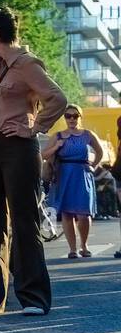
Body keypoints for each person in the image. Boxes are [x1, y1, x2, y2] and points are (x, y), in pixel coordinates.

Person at [0, 5, 68, 317]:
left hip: (19, 147)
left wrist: (35, 127)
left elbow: (58, 98)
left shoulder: (26, 64)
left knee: (25, 221)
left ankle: (34, 297)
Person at [43, 106, 104, 258]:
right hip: (63, 175)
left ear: (79, 117)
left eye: (75, 116)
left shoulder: (88, 134)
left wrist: (93, 166)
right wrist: (57, 146)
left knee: (84, 213)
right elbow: (43, 154)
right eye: (68, 116)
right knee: (67, 213)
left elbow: (100, 151)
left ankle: (84, 245)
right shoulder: (58, 136)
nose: (71, 119)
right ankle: (72, 249)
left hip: (83, 175)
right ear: (64, 117)